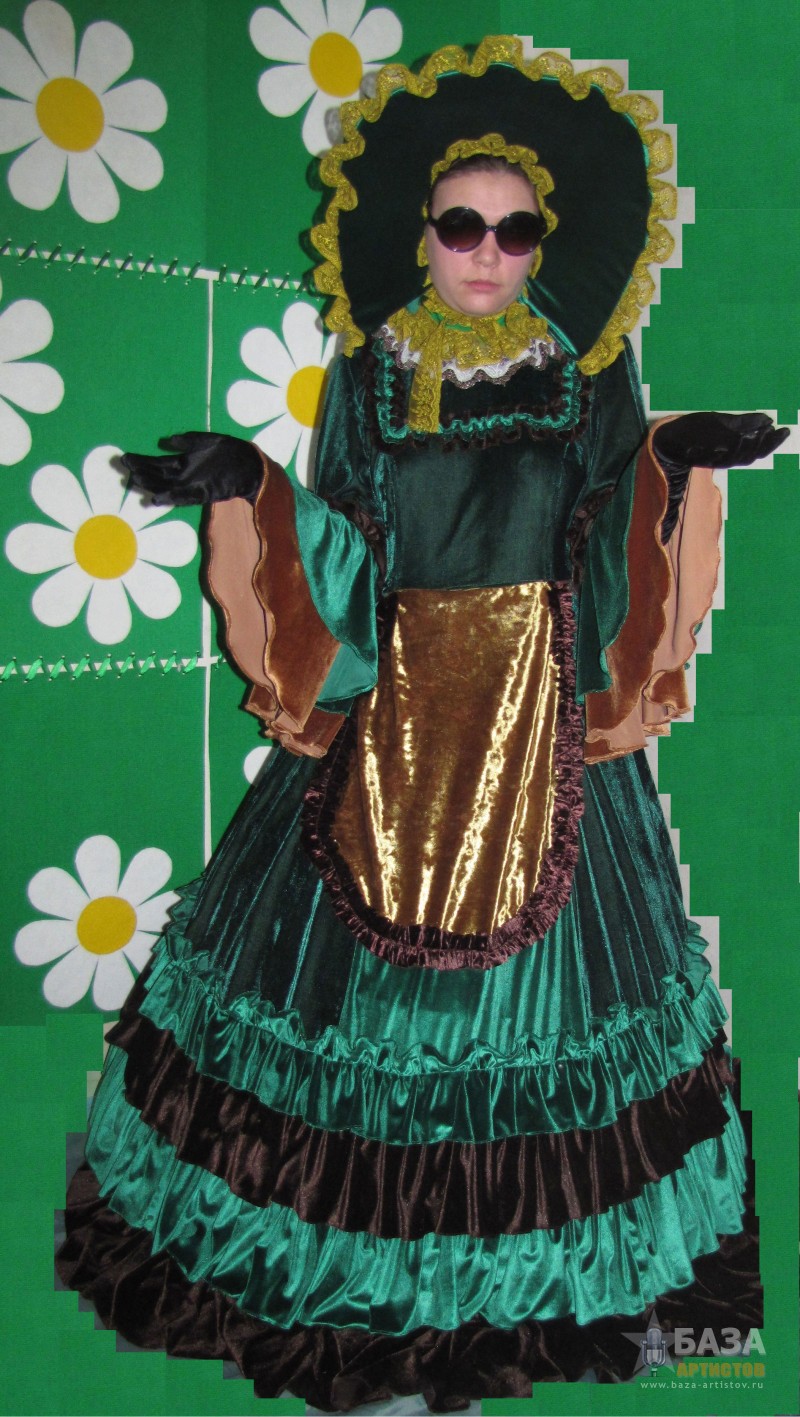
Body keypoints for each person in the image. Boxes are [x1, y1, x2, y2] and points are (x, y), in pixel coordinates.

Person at [57, 37, 786, 1412]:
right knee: (351, 1014)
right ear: (421, 234)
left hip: (543, 734)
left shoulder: (590, 371)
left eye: (516, 232)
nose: (488, 253)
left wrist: (674, 460)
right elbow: (346, 551)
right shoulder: (370, 369)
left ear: (541, 245)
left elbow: (609, 541)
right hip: (394, 721)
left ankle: (535, 1277)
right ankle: (360, 1273)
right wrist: (255, 485)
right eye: (463, 225)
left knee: (556, 1022)